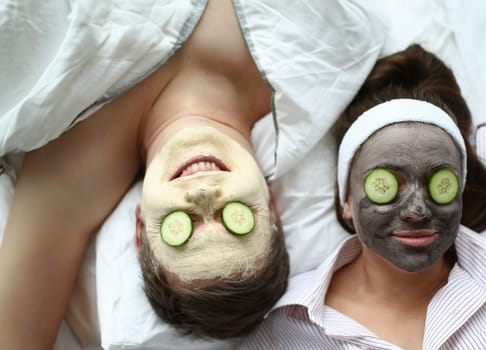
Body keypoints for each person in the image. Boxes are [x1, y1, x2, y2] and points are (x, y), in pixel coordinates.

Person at [239, 44, 486, 349]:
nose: (416, 210)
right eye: (387, 184)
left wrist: (463, 154)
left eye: (439, 183)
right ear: (346, 202)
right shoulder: (287, 324)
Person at [0, 1, 290, 348]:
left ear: (140, 230)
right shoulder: (302, 71)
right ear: (271, 207)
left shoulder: (71, 183)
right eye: (233, 219)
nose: (201, 196)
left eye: (180, 226)